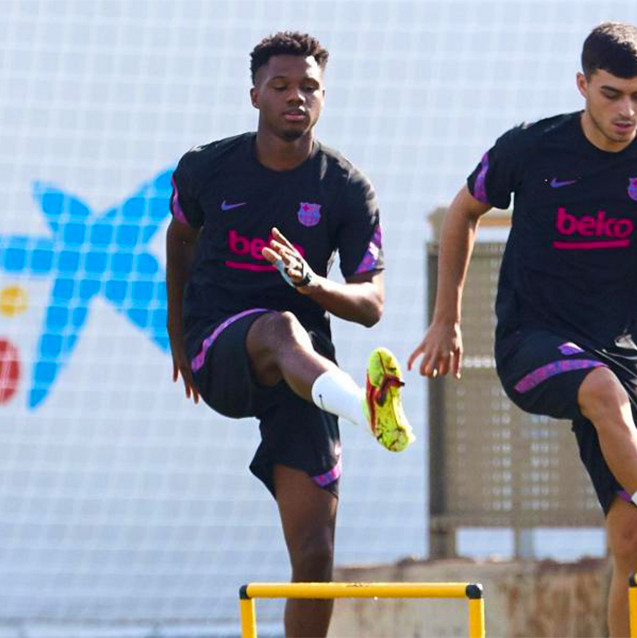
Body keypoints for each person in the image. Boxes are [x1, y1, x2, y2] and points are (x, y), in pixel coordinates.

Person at [408, 22, 637, 637]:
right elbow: (462, 212)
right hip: (531, 344)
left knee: (633, 539)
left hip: (616, 358)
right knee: (602, 392)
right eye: (612, 94)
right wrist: (446, 319)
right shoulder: (532, 147)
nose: (627, 110)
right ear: (582, 85)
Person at [165, 32, 412, 637]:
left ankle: (357, 405)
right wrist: (177, 337)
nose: (295, 97)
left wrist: (314, 285)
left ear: (323, 97)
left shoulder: (346, 187)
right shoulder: (207, 167)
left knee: (315, 558)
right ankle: (367, 407)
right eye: (281, 86)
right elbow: (180, 241)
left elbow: (372, 304)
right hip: (221, 345)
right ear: (255, 95)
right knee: (277, 328)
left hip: (306, 376)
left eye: (309, 87)